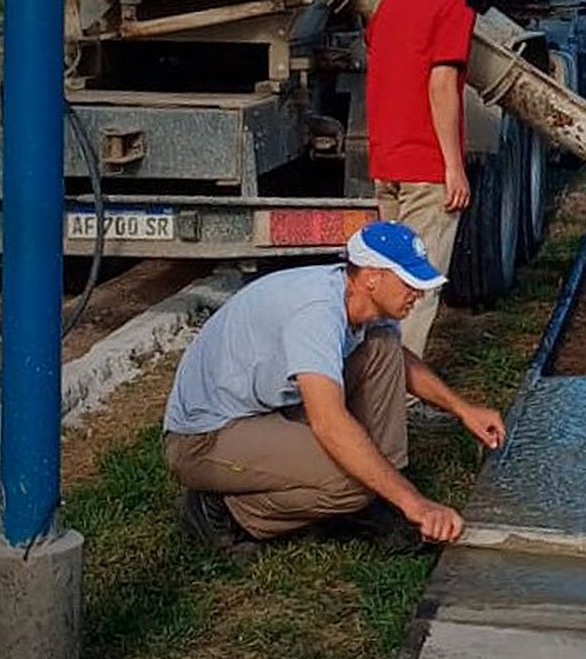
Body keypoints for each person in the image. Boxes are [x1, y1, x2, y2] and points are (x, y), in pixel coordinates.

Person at [162, 221, 506, 550]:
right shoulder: (317, 313)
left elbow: (400, 362)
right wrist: (417, 503)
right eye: (408, 281)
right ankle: (226, 512)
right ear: (372, 278)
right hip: (204, 437)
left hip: (263, 408)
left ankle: (383, 497)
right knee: (353, 483)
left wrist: (463, 409)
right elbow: (329, 423)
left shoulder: (363, 301)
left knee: (384, 348)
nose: (418, 292)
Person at [365, 0, 486, 357]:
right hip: (425, 168)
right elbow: (440, 85)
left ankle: (371, 381)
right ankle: (398, 397)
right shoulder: (452, 5)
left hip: (386, 162)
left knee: (385, 283)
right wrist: (454, 167)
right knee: (416, 286)